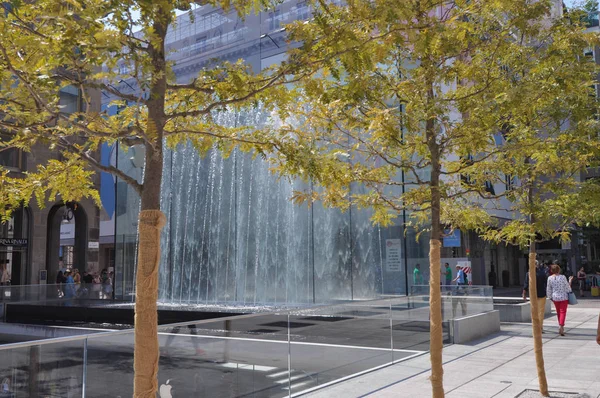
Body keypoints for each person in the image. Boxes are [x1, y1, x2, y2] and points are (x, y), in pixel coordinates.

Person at [546, 264, 574, 336]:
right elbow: (567, 287)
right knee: (563, 312)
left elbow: (548, 289)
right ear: (558, 270)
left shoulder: (549, 278)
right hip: (563, 297)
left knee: (558, 312)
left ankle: (560, 325)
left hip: (555, 297)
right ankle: (561, 325)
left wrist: (549, 297)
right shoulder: (562, 277)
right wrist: (570, 281)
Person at [522, 260, 548, 333]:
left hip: (533, 295)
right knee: (541, 312)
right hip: (542, 294)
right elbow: (546, 284)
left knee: (534, 311)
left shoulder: (529, 273)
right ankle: (540, 327)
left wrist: (524, 294)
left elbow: (526, 284)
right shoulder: (542, 273)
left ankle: (535, 327)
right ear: (537, 265)